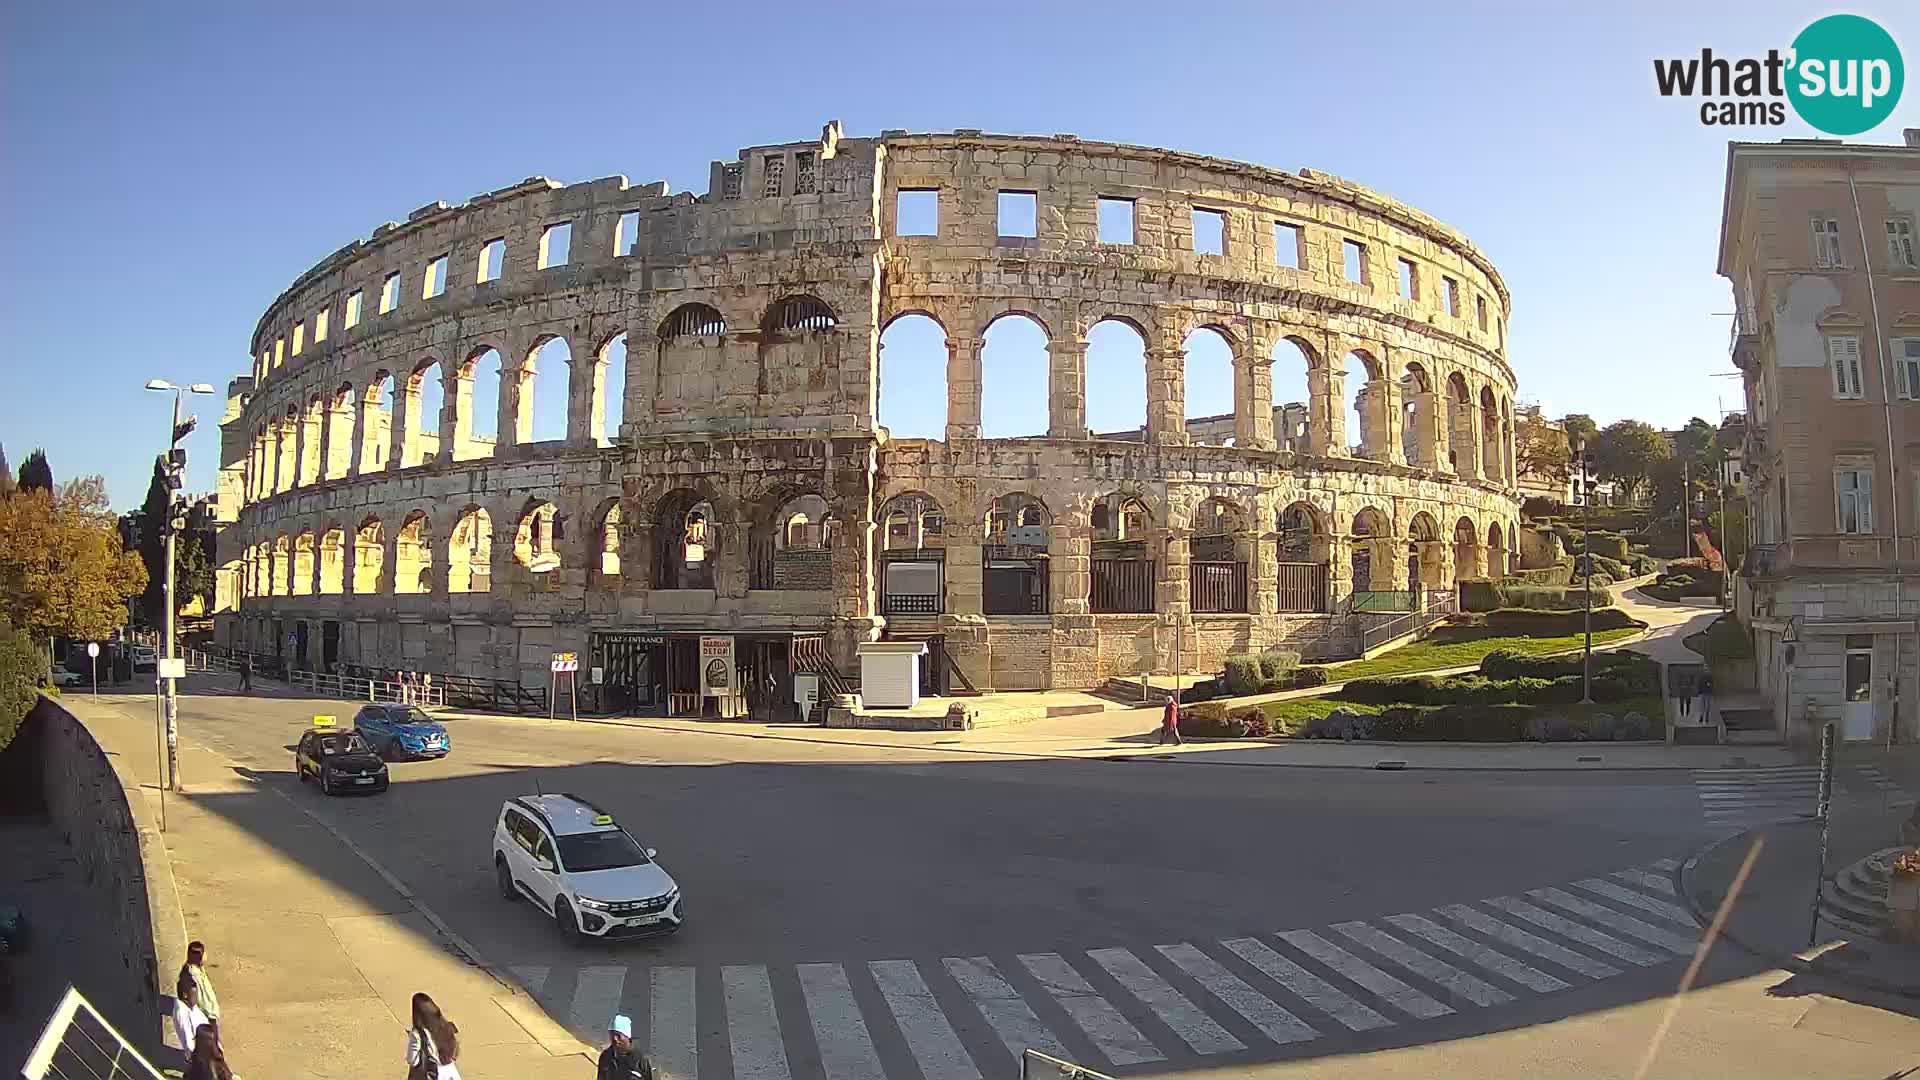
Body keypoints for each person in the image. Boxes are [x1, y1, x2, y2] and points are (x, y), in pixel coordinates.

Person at [406, 992, 461, 1080]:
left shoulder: (417, 1035)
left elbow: (412, 1060)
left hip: (433, 1074)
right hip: (450, 1073)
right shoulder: (444, 1025)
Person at [597, 1015, 654, 1080]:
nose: (615, 1038)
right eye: (612, 1034)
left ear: (627, 1036)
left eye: (618, 1035)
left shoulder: (642, 1059)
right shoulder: (605, 1056)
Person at [178, 940, 222, 1024]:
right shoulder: (192, 974)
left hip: (207, 1015)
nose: (203, 956)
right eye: (201, 955)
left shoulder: (197, 968)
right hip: (206, 1016)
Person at [172, 974, 211, 1055]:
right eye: (195, 994)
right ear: (185, 995)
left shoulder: (193, 1008)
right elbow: (189, 1044)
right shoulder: (181, 1013)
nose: (197, 997)